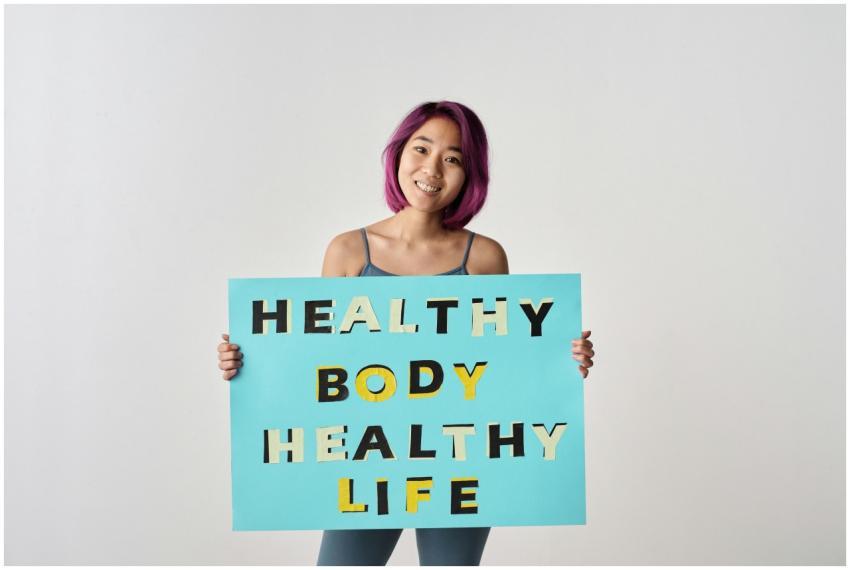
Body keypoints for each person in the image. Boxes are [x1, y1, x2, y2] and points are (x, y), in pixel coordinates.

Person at [216, 100, 596, 566]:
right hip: (366, 456)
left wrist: (561, 359)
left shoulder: (484, 259)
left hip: (460, 460)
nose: (432, 168)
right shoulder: (348, 252)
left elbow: (507, 366)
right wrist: (252, 361)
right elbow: (315, 361)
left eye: (453, 158)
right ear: (398, 154)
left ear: (468, 175)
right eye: (421, 149)